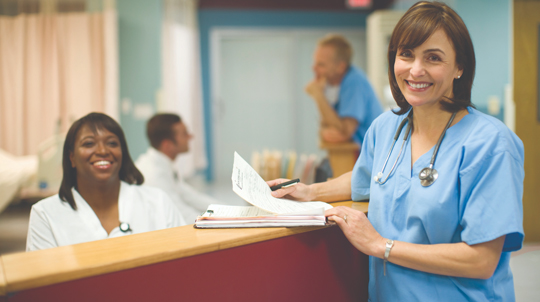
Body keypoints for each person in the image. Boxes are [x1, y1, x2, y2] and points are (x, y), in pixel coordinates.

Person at [269, 2, 524, 301]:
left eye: (433, 57)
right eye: (406, 54)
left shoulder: (491, 144)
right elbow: (369, 178)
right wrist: (310, 191)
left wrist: (380, 245)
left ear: (460, 67)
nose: (416, 70)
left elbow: (481, 260)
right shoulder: (386, 127)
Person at [26, 113, 185, 251]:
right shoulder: (45, 215)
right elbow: (42, 281)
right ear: (71, 157)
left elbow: (183, 261)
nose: (102, 151)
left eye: (112, 143)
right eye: (89, 143)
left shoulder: (157, 202)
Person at [136, 113, 218, 223]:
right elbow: (181, 214)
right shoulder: (154, 174)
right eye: (185, 134)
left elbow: (190, 196)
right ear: (167, 145)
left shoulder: (163, 164)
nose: (190, 136)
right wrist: (220, 221)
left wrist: (229, 211)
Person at [306, 34, 383, 145]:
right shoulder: (335, 86)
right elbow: (326, 126)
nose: (314, 68)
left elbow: (344, 131)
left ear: (340, 67)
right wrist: (324, 131)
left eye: (321, 64)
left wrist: (318, 95)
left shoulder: (354, 82)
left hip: (372, 157)